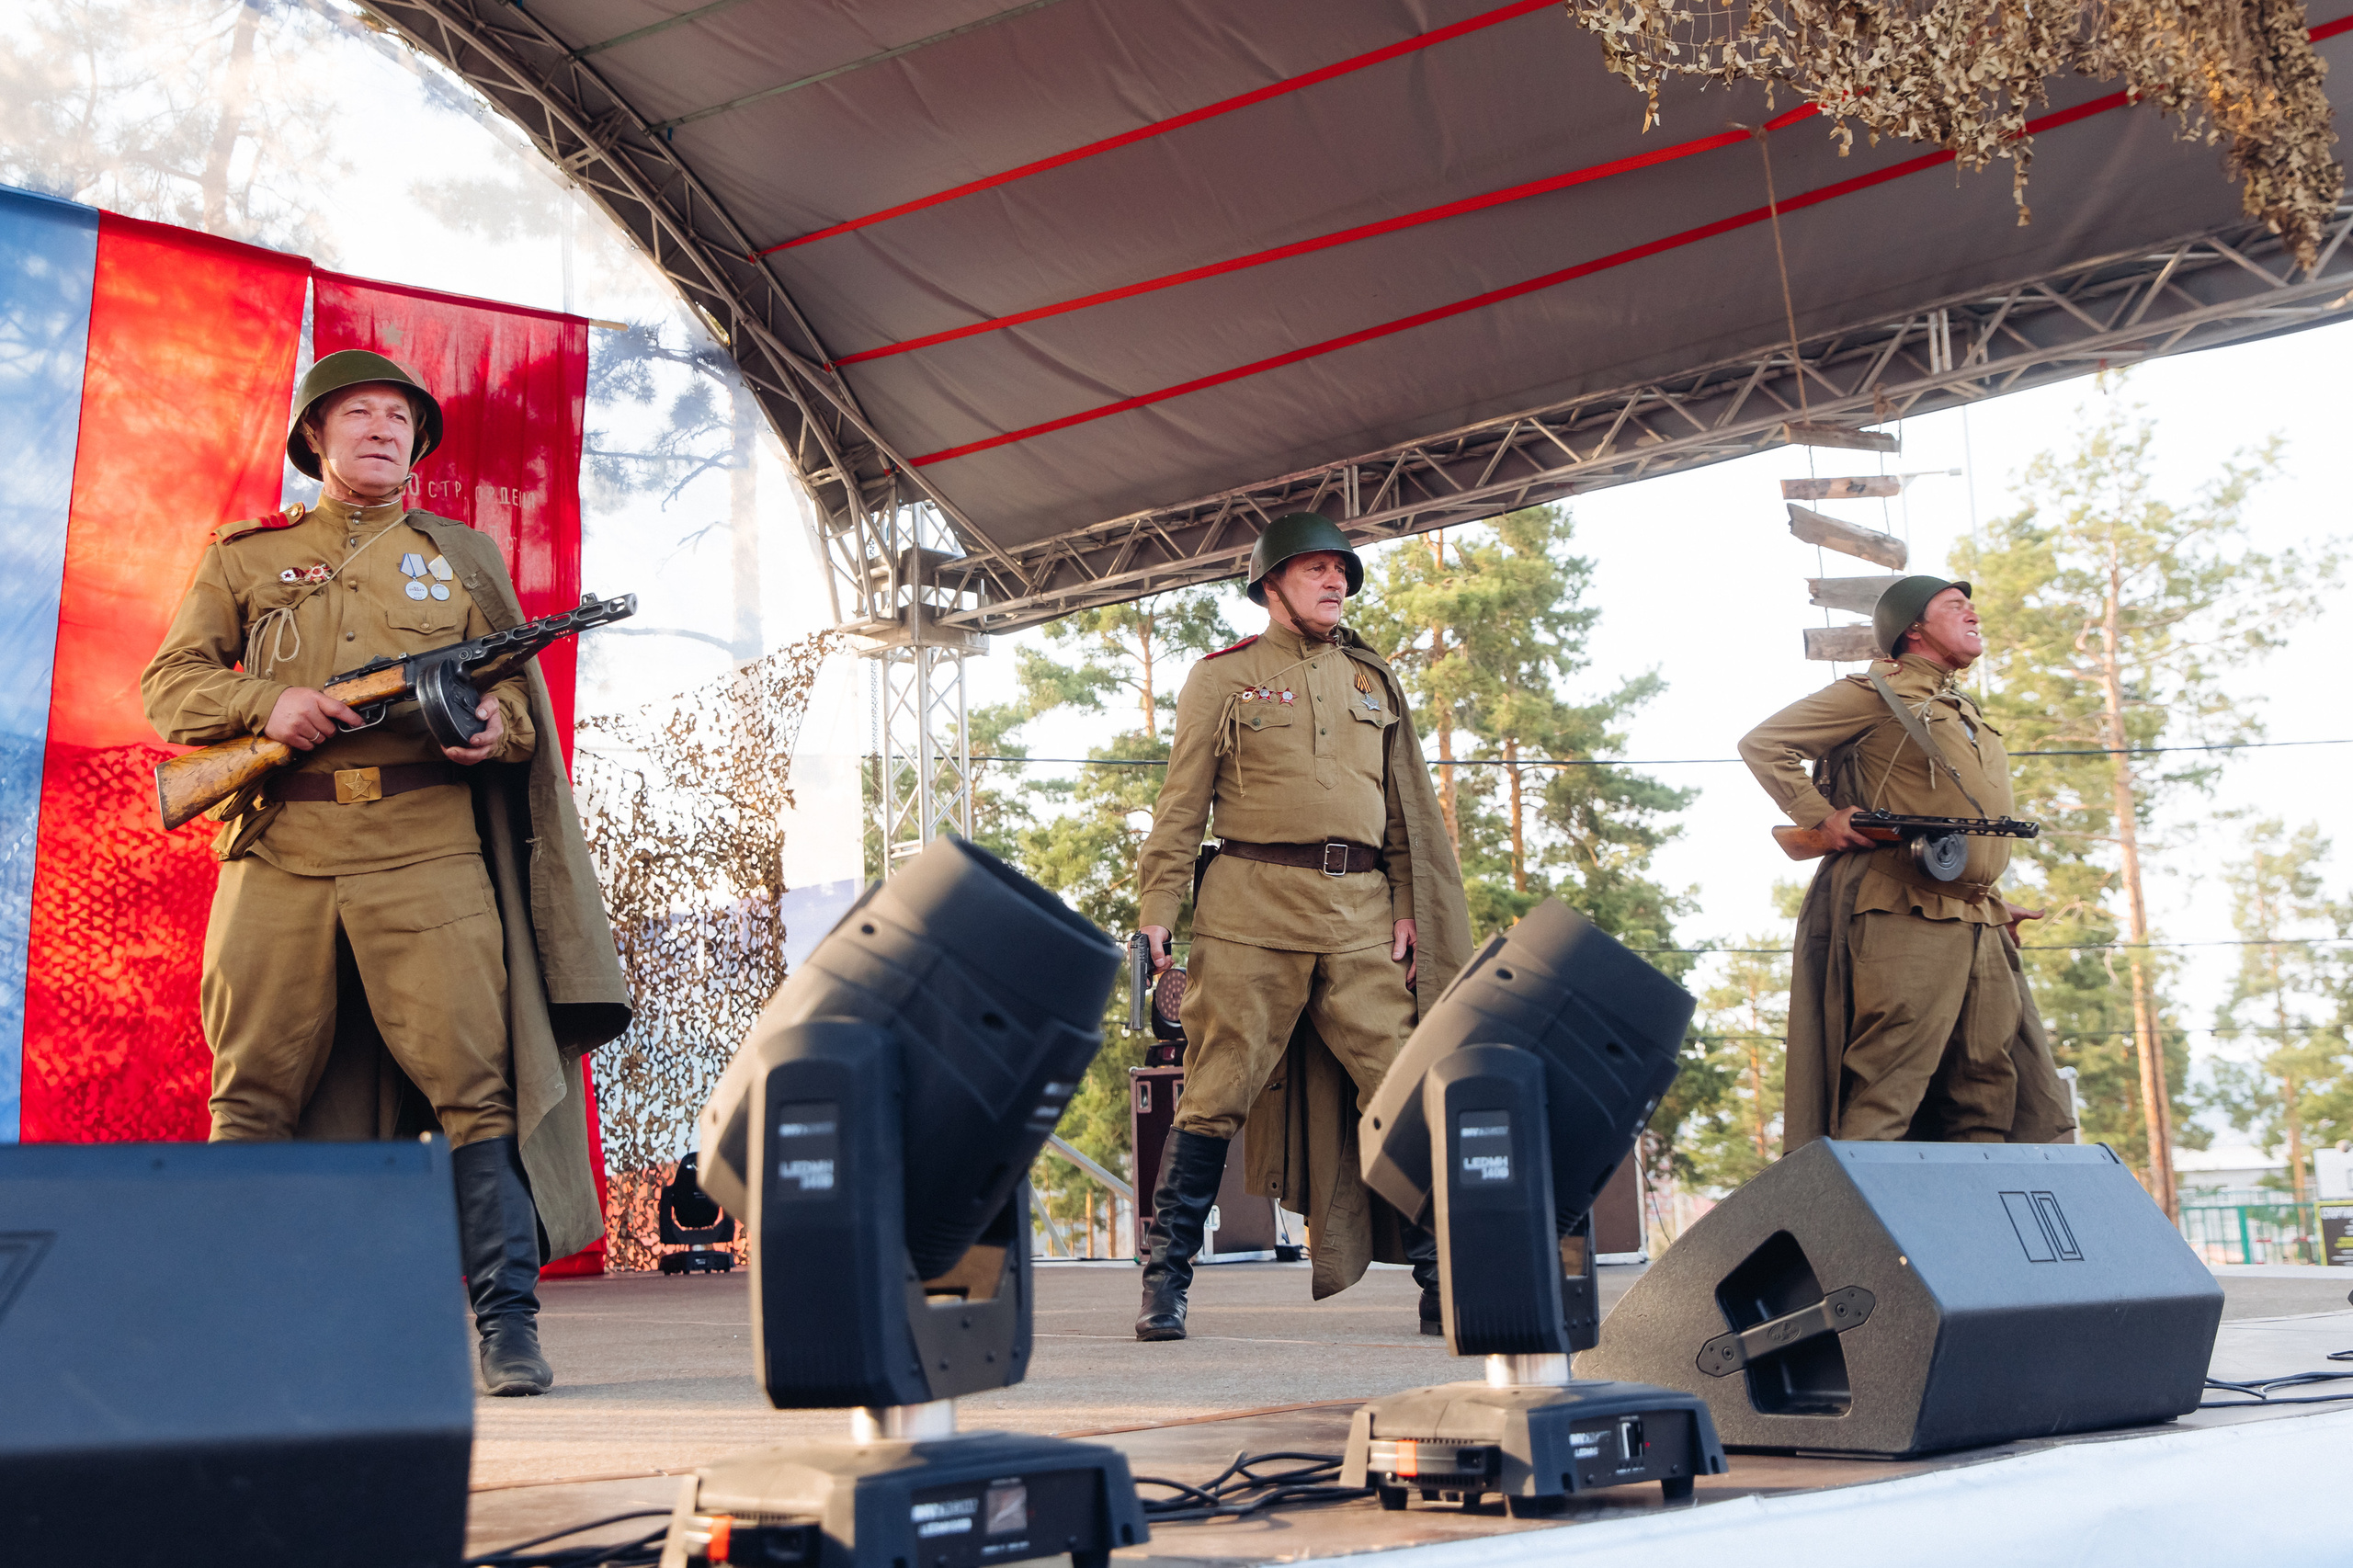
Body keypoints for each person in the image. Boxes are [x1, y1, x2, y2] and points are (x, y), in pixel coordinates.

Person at [142, 350, 631, 1395]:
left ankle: (507, 1326)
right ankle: (233, 1325)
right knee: (251, 1092)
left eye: (399, 416)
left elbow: (521, 717)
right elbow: (171, 686)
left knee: (476, 1087)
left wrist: (492, 730)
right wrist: (264, 705)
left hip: (427, 851)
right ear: (314, 437)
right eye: (355, 413)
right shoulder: (245, 555)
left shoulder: (460, 555)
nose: (380, 428)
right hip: (281, 849)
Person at [1132, 513, 1472, 1341]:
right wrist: (1156, 914)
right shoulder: (1222, 678)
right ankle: (1165, 1281)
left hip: (1359, 914)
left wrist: (1406, 906)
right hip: (1250, 906)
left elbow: (1405, 815)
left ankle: (1443, 1283)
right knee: (1215, 1092)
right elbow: (1181, 807)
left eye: (1343, 572)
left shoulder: (1373, 680)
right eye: (1317, 569)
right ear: (1270, 584)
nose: (1336, 583)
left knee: (1405, 1086)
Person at [1738, 575, 2074, 1147]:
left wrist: (1988, 896)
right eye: (1955, 606)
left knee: (1989, 1090)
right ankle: (1857, 1234)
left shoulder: (1958, 705)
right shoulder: (1877, 691)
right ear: (1912, 629)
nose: (1973, 614)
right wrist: (1822, 817)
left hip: (1976, 918)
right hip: (1903, 909)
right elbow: (1766, 744)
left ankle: (1969, 1232)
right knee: (1890, 1089)